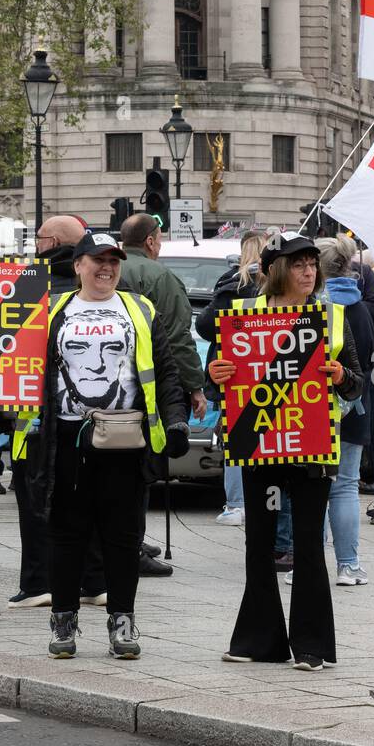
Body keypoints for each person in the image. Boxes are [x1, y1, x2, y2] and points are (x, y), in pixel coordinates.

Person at [12, 231, 189, 659]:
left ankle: (122, 620)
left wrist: (176, 421)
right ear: (78, 266)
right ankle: (64, 617)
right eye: (97, 260)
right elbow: (10, 362)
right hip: (66, 438)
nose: (106, 268)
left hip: (126, 439)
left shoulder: (139, 309)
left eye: (113, 260)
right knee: (67, 533)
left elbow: (163, 371)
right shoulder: (52, 309)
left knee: (122, 536)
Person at [209, 233, 363, 672]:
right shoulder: (242, 315)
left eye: (312, 263)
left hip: (311, 445)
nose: (308, 271)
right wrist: (214, 373)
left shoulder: (331, 316)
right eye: (298, 264)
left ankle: (312, 646)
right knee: (258, 543)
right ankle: (261, 640)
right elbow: (219, 375)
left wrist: (340, 377)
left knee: (308, 546)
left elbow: (356, 379)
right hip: (258, 444)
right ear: (277, 270)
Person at [5, 214, 94, 608]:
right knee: (91, 501)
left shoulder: (28, 287)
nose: (35, 244)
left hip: (35, 415)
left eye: (38, 238)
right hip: (93, 417)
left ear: (51, 242)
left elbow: (4, 349)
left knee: (36, 497)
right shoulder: (99, 289)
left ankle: (39, 582)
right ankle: (95, 582)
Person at [119, 213, 207, 576]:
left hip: (106, 391)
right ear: (151, 242)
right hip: (149, 389)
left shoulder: (105, 269)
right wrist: (194, 387)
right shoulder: (161, 278)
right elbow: (176, 338)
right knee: (141, 471)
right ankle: (132, 544)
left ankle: (125, 539)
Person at [197, 229, 266, 526]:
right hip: (269, 368)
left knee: (238, 436)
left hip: (233, 370)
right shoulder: (275, 284)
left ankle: (237, 504)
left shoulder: (232, 283)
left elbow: (204, 325)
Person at [318, 237, 373, 585]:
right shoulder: (362, 308)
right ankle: (348, 565)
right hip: (353, 406)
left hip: (310, 410)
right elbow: (367, 359)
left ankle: (306, 564)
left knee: (313, 489)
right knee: (346, 486)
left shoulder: (314, 308)